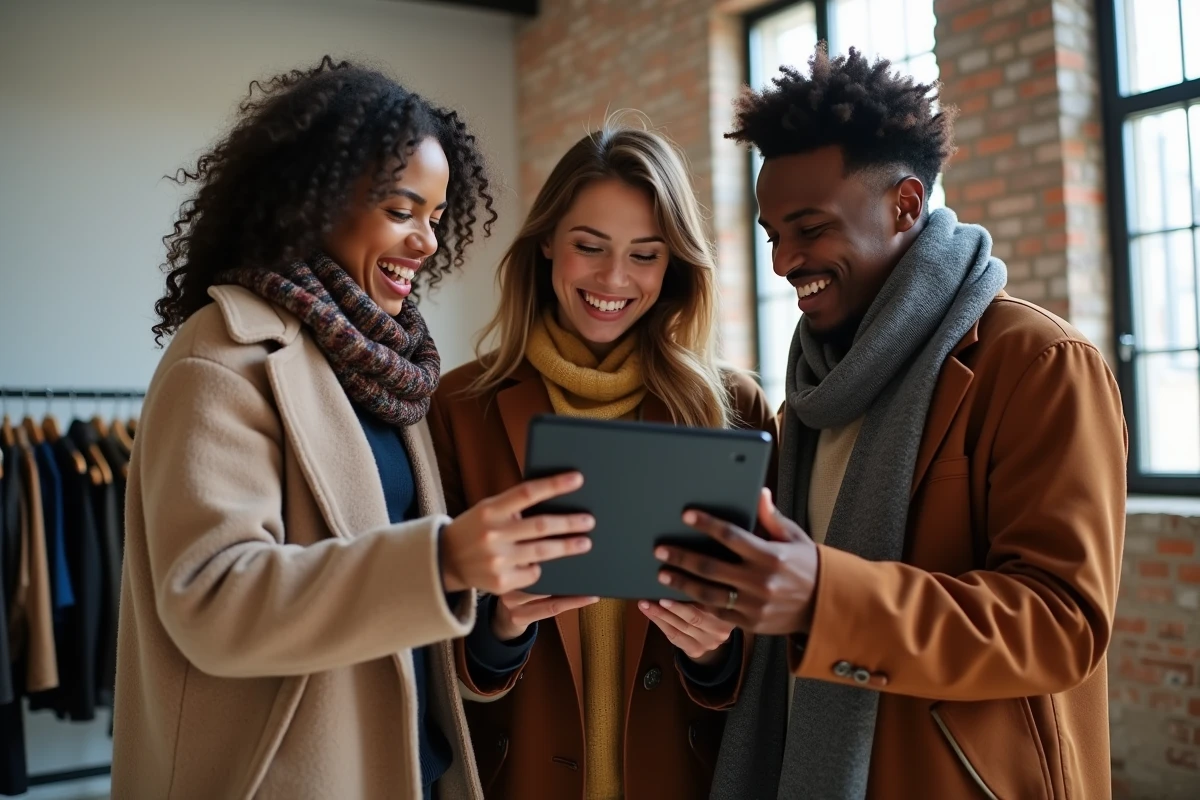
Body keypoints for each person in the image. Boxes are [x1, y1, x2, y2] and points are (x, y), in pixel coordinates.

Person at [112, 57, 599, 800]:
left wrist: (495, 624)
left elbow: (390, 621)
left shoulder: (377, 366)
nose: (428, 243)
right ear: (312, 200)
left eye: (435, 218)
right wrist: (445, 559)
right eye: (402, 211)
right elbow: (211, 601)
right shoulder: (223, 357)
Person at [655, 47, 1127, 800]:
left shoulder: (1038, 363)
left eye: (808, 228)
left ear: (906, 205)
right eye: (771, 232)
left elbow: (1062, 623)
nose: (783, 261)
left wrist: (823, 598)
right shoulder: (810, 388)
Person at [427, 121, 778, 800]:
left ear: (674, 264)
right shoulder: (458, 408)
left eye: (645, 255)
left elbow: (771, 643)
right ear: (548, 245)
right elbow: (418, 632)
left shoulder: (733, 407)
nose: (614, 278)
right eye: (590, 246)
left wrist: (714, 650)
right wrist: (499, 629)